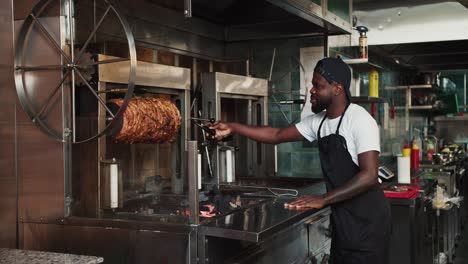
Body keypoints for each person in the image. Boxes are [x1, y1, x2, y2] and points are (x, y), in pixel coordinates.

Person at [207, 57, 391, 264]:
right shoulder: (319, 122)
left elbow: (369, 176)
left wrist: (324, 199)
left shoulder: (359, 120)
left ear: (337, 88)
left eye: (317, 86)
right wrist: (232, 127)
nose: (311, 91)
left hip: (368, 222)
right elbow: (276, 135)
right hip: (343, 219)